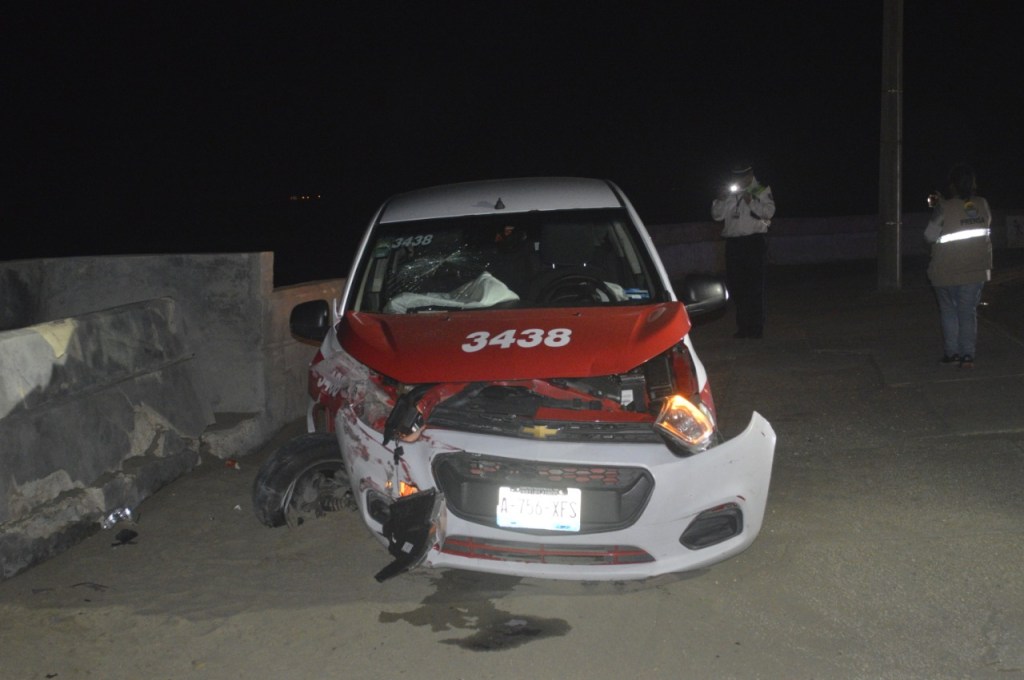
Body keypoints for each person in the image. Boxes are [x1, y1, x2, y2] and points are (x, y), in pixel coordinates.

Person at [924, 163, 992, 369]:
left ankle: (952, 354)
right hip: (975, 269)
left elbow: (929, 236)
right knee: (967, 312)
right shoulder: (983, 204)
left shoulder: (943, 207)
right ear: (973, 184)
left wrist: (938, 207)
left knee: (949, 313)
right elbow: (970, 218)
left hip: (945, 271)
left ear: (951, 185)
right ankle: (967, 357)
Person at [711, 161, 775, 338]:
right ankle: (743, 327)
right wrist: (721, 199)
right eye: (736, 177)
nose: (740, 181)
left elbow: (769, 212)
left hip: (754, 242)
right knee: (736, 286)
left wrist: (751, 201)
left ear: (750, 175)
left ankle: (755, 329)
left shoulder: (759, 189)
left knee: (754, 287)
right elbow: (717, 216)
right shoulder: (730, 191)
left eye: (743, 177)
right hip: (734, 244)